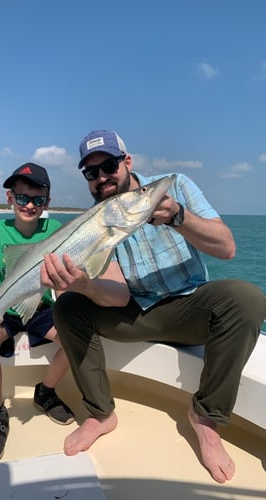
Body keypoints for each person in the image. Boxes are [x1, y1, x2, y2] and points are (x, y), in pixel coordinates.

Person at [40, 130, 266, 484]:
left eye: (109, 166)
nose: (101, 177)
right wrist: (82, 284)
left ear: (127, 162)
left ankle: (205, 419)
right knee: (68, 306)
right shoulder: (94, 222)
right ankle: (100, 414)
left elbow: (227, 247)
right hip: (136, 312)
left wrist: (179, 216)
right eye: (91, 172)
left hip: (190, 304)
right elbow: (116, 295)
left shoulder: (175, 186)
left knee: (248, 298)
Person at [0, 162, 75, 463]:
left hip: (41, 307)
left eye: (37, 199)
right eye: (22, 198)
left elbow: (62, 278)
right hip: (5, 309)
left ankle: (45, 392)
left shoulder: (55, 229)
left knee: (75, 342)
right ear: (10, 198)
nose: (29, 205)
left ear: (47, 202)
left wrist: (68, 309)